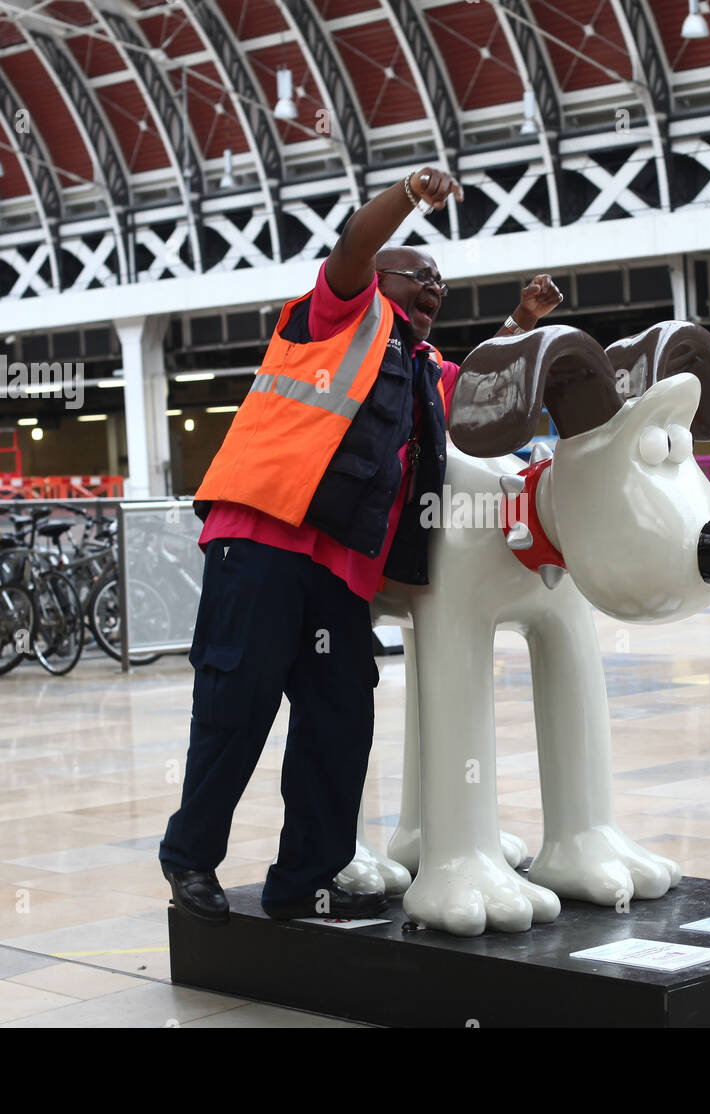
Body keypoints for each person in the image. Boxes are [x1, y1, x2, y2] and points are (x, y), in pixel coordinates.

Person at [158, 167, 564, 923]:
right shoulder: (336, 315)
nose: (434, 285)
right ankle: (190, 856)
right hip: (263, 539)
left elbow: (480, 388)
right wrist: (412, 193)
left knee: (340, 723)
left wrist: (520, 318)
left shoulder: (424, 371)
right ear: (379, 278)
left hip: (341, 570)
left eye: (443, 280)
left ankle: (305, 880)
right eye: (420, 273)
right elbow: (354, 240)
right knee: (235, 704)